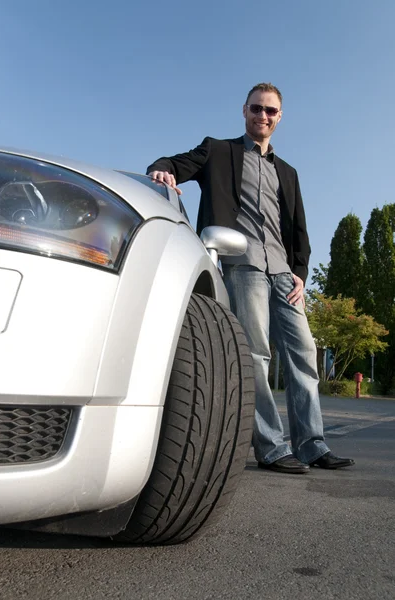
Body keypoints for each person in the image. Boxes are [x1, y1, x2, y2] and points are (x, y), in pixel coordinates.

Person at [147, 82, 355, 474]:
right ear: (244, 111)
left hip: (282, 273)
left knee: (304, 355)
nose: (263, 116)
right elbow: (175, 163)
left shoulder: (288, 173)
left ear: (279, 118)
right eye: (257, 109)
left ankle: (312, 445)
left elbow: (299, 231)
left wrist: (299, 273)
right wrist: (162, 170)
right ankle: (271, 447)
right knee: (257, 355)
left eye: (270, 111)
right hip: (242, 266)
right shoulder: (218, 150)